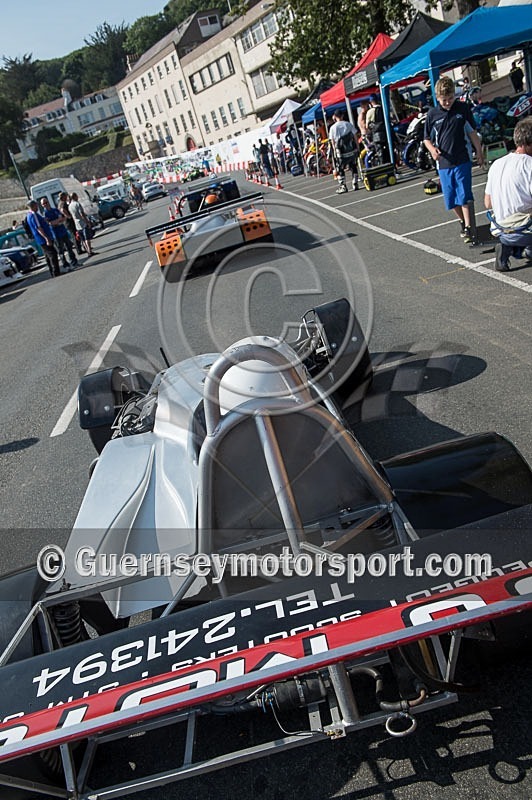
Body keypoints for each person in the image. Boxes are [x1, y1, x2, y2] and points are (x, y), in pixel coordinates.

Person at [423, 76, 484, 244]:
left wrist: (479, 152)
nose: (448, 102)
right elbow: (426, 138)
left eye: (450, 98)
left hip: (462, 158)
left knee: (464, 194)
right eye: (444, 100)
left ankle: (470, 228)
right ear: (437, 98)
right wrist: (432, 150)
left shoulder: (462, 109)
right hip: (443, 162)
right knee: (450, 198)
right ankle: (463, 222)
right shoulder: (432, 114)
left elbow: (472, 132)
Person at [484, 117, 532, 272]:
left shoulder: (497, 164)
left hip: (500, 229)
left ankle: (508, 247)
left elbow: (488, 203)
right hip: (523, 229)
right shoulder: (529, 165)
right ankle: (527, 250)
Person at [40, 198, 78, 271]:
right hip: (55, 234)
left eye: (46, 202)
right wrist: (57, 221)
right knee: (60, 251)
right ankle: (66, 265)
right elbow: (50, 223)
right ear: (42, 205)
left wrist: (57, 221)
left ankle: (74, 262)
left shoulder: (55, 210)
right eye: (43, 204)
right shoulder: (45, 214)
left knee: (69, 247)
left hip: (63, 231)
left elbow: (63, 218)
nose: (45, 204)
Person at [25, 200, 61, 278]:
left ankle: (52, 271)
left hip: (40, 239)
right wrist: (46, 238)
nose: (37, 207)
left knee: (47, 255)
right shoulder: (33, 215)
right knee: (52, 253)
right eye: (36, 205)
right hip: (43, 238)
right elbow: (39, 228)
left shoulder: (29, 215)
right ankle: (56, 271)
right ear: (33, 206)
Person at [328, 110, 359, 194]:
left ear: (335, 116)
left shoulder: (333, 128)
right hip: (351, 149)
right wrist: (357, 147)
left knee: (340, 168)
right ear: (342, 115)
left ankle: (343, 186)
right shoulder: (348, 124)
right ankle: (355, 182)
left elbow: (333, 141)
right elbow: (355, 136)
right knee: (353, 166)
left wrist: (335, 151)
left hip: (341, 151)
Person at [68, 192, 97, 257]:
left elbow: (72, 215)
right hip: (83, 223)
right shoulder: (77, 204)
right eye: (77, 196)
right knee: (87, 238)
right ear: (75, 196)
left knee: (82, 239)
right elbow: (82, 214)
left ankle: (87, 250)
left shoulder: (70, 206)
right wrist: (87, 222)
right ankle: (90, 251)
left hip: (77, 224)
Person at [365, 94, 389, 162]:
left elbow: (367, 126)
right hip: (387, 133)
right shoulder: (384, 108)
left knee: (380, 153)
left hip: (376, 136)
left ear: (371, 102)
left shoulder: (370, 112)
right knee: (388, 151)